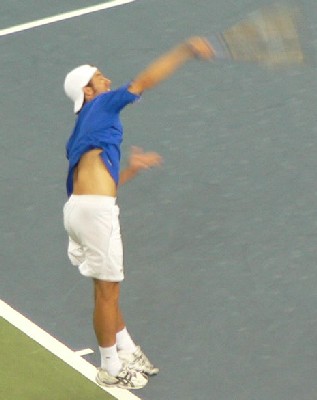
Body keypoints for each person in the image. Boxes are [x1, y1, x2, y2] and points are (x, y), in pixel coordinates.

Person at [63, 36, 214, 390]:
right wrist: (185, 51)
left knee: (107, 287)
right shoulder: (101, 107)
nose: (107, 81)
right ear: (87, 91)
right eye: (99, 78)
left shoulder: (83, 130)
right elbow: (142, 82)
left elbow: (94, 181)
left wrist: (129, 169)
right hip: (93, 211)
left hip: (80, 209)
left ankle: (126, 349)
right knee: (107, 292)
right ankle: (111, 367)